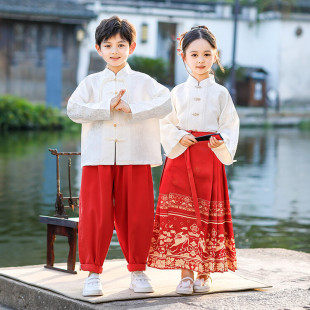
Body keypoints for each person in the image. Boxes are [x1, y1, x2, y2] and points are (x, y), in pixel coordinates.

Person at [67, 16, 171, 297]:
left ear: (132, 47)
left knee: (137, 214)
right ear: (98, 49)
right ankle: (92, 273)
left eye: (121, 44)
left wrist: (133, 108)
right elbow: (73, 110)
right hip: (98, 157)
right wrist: (105, 107)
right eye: (108, 44)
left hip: (135, 156)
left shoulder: (142, 81)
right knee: (94, 215)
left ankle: (138, 271)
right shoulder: (90, 82)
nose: (115, 50)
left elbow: (167, 102)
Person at [147, 25, 239, 295]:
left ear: (215, 56)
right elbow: (164, 123)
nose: (200, 60)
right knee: (182, 218)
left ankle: (205, 273)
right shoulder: (175, 93)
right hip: (181, 157)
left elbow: (230, 125)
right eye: (194, 54)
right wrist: (177, 136)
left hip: (209, 159)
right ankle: (185, 275)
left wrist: (220, 140)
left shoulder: (222, 94)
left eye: (207, 54)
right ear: (184, 56)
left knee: (207, 215)